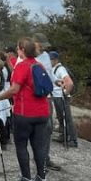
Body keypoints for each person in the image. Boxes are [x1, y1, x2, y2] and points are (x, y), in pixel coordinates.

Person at [0, 38, 52, 181]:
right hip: (43, 112)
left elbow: (14, 89)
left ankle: (26, 180)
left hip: (25, 113)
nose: (17, 51)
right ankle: (41, 178)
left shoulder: (22, 66)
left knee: (21, 145)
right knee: (39, 146)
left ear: (22, 50)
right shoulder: (39, 65)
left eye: (18, 49)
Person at [33, 34, 62, 173]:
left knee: (48, 128)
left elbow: (49, 73)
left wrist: (56, 80)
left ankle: (45, 158)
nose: (44, 47)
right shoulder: (27, 55)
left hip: (46, 96)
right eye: (42, 44)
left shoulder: (45, 56)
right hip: (33, 96)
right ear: (35, 43)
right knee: (37, 130)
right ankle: (40, 160)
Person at [50, 51, 78, 148]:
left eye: (51, 59)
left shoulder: (60, 69)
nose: (50, 61)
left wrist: (66, 93)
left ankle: (73, 140)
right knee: (61, 117)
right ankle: (64, 135)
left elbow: (69, 83)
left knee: (67, 118)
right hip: (57, 96)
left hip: (61, 97)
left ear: (56, 60)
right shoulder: (54, 68)